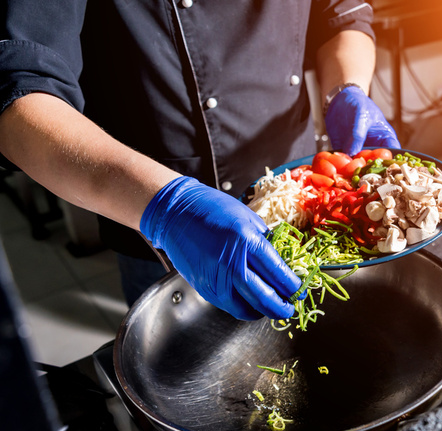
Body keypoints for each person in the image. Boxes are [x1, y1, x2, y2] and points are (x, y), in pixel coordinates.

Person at [0, 1, 400, 321]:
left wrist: (346, 89)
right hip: (155, 216)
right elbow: (18, 99)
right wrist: (168, 207)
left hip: (300, 202)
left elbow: (342, 13)